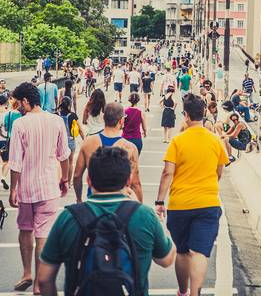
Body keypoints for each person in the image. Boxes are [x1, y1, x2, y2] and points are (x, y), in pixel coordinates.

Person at [38, 147, 175, 296]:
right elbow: (166, 260)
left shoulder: (68, 217)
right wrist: (157, 220)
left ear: (89, 180)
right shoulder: (144, 215)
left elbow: (44, 279)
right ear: (128, 180)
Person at [156, 94, 228, 296]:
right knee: (200, 252)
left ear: (186, 116)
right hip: (208, 203)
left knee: (183, 251)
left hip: (180, 205)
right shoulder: (215, 140)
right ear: (204, 113)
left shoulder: (177, 140)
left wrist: (160, 201)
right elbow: (219, 171)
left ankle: (182, 291)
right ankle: (195, 293)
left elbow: (167, 172)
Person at [8, 82, 71, 294]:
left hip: (26, 188)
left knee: (25, 229)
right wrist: (65, 179)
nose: (18, 107)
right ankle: (38, 284)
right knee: (42, 235)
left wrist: (13, 189)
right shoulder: (56, 121)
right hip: (48, 187)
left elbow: (15, 161)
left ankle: (26, 272)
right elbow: (64, 155)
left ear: (26, 101)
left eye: (18, 103)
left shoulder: (20, 124)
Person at [73, 102, 143, 203]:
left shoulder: (88, 142)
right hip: (120, 202)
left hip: (95, 201)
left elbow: (77, 176)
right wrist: (140, 207)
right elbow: (135, 183)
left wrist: (79, 199)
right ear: (121, 121)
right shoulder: (130, 148)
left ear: (103, 118)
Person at [58, 96, 85, 186]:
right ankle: (68, 183)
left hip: (60, 142)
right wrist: (84, 140)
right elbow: (80, 129)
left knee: (60, 162)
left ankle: (61, 181)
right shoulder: (73, 115)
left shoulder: (57, 115)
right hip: (70, 141)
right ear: (69, 105)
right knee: (70, 162)